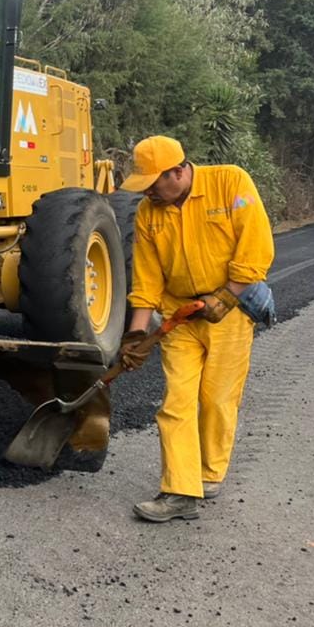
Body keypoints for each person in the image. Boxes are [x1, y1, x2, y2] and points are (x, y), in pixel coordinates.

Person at [115, 136, 276, 523]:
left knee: (218, 399)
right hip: (180, 317)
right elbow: (147, 281)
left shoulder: (231, 184)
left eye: (155, 182)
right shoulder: (148, 213)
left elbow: (256, 246)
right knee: (176, 402)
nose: (150, 191)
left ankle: (209, 473)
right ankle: (180, 490)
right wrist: (137, 335)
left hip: (230, 312)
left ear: (178, 171)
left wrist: (228, 294)